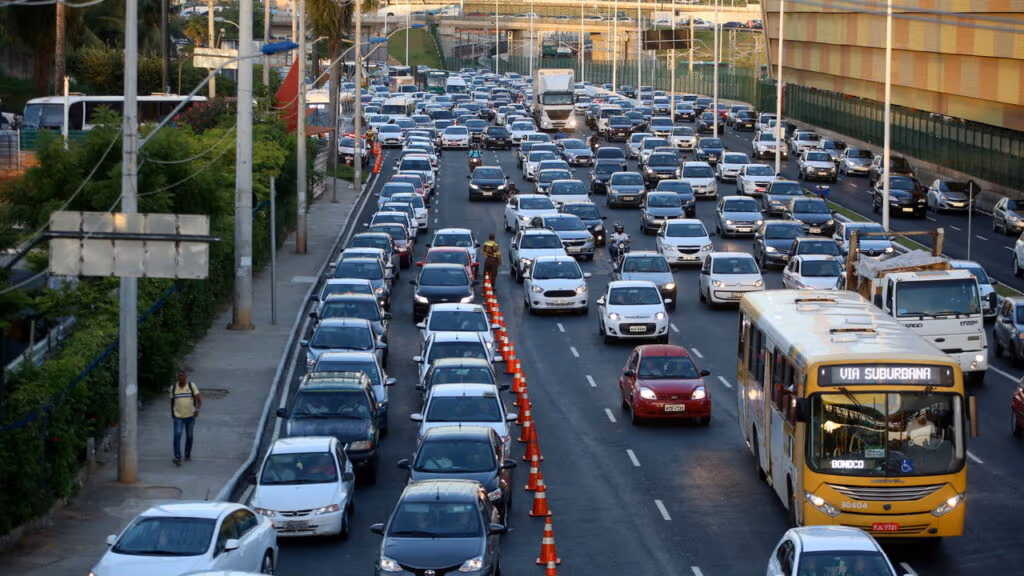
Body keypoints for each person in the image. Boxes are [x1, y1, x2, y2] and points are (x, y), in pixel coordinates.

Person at [169, 368, 201, 466]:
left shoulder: (192, 386)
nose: (181, 378)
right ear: (177, 377)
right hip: (178, 417)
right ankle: (177, 457)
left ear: (186, 377)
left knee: (189, 436)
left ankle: (187, 455)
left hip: (190, 416)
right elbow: (172, 401)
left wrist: (197, 410)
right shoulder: (173, 388)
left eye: (183, 376)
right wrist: (173, 413)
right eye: (179, 376)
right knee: (177, 435)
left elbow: (199, 399)